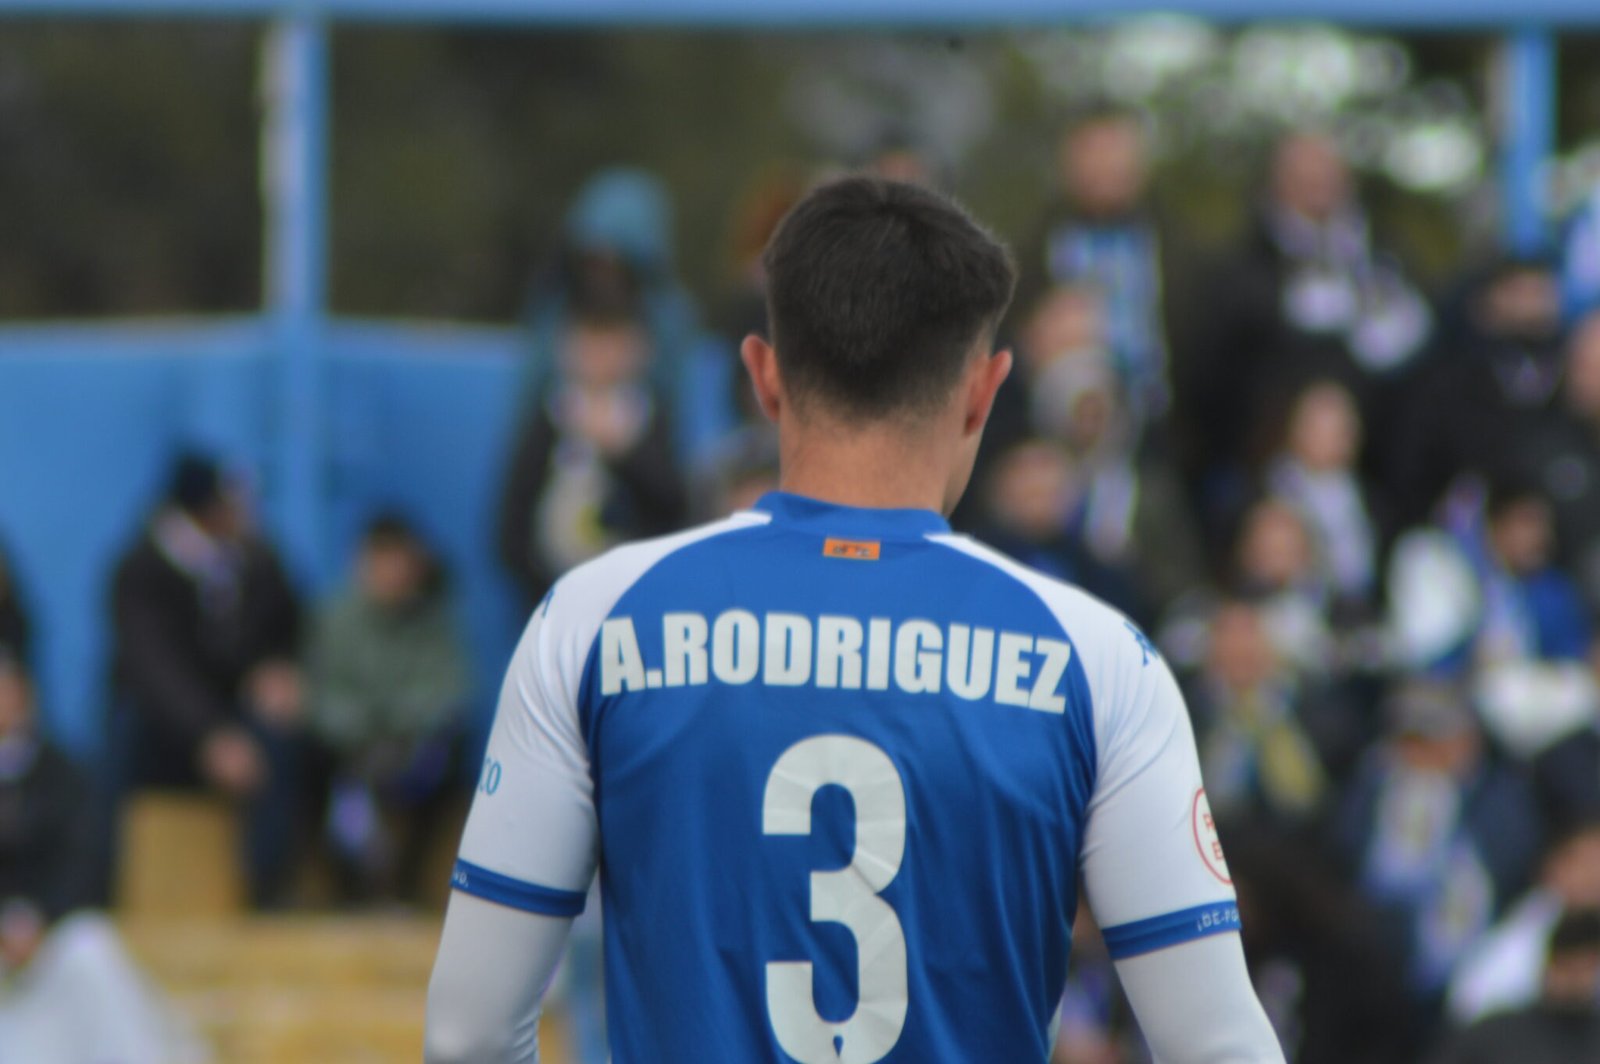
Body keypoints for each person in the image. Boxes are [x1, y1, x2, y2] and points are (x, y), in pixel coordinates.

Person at [426, 177, 1282, 1062]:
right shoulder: (1097, 659)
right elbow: (1218, 1043)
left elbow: (470, 1035)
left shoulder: (594, 620)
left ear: (763, 376)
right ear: (984, 392)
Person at [107, 453, 306, 908]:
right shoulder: (141, 568)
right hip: (166, 726)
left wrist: (279, 669)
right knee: (119, 744)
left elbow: (289, 623)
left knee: (286, 739)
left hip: (237, 711)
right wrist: (209, 734)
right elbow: (154, 669)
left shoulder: (255, 557)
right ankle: (109, 894)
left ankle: (268, 892)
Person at [0, 654, 205, 1063]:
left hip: (52, 939)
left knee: (92, 949)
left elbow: (86, 859)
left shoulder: (66, 777)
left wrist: (37, 919)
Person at [307, 514, 471, 905]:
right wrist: (364, 734)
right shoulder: (334, 618)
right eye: (383, 561)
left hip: (411, 750)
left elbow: (451, 691)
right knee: (313, 768)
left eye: (401, 562)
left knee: (451, 762)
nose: (392, 573)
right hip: (348, 752)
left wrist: (401, 729)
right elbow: (318, 694)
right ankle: (346, 893)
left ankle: (408, 885)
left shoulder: (433, 620)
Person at [496, 290, 687, 608]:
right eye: (590, 342)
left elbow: (673, 507)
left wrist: (623, 452)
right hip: (552, 596)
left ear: (639, 348)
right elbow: (512, 520)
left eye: (612, 343)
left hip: (631, 601)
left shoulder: (651, 416)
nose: (600, 356)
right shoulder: (548, 415)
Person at [1429, 907, 1600, 1064]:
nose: (1576, 980)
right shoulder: (1495, 1035)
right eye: (1568, 967)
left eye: (1586, 969)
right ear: (1547, 968)